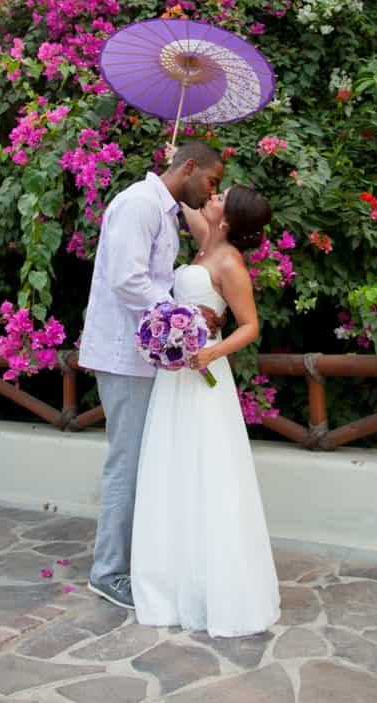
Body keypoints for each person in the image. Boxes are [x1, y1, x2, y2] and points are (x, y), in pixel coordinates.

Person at [131, 185, 281, 637]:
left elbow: (251, 326)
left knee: (207, 470)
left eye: (221, 197)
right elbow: (185, 202)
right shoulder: (205, 243)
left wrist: (211, 354)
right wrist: (175, 165)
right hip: (175, 374)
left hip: (203, 372)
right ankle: (172, 582)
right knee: (172, 467)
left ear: (229, 218)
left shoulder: (229, 261)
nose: (213, 196)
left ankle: (216, 588)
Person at [79, 142, 224, 609]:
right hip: (123, 356)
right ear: (188, 167)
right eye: (211, 180)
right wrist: (185, 313)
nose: (212, 190)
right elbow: (127, 280)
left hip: (143, 356)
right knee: (128, 463)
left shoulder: (164, 210)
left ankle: (131, 562)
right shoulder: (139, 205)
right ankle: (107, 571)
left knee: (143, 461)